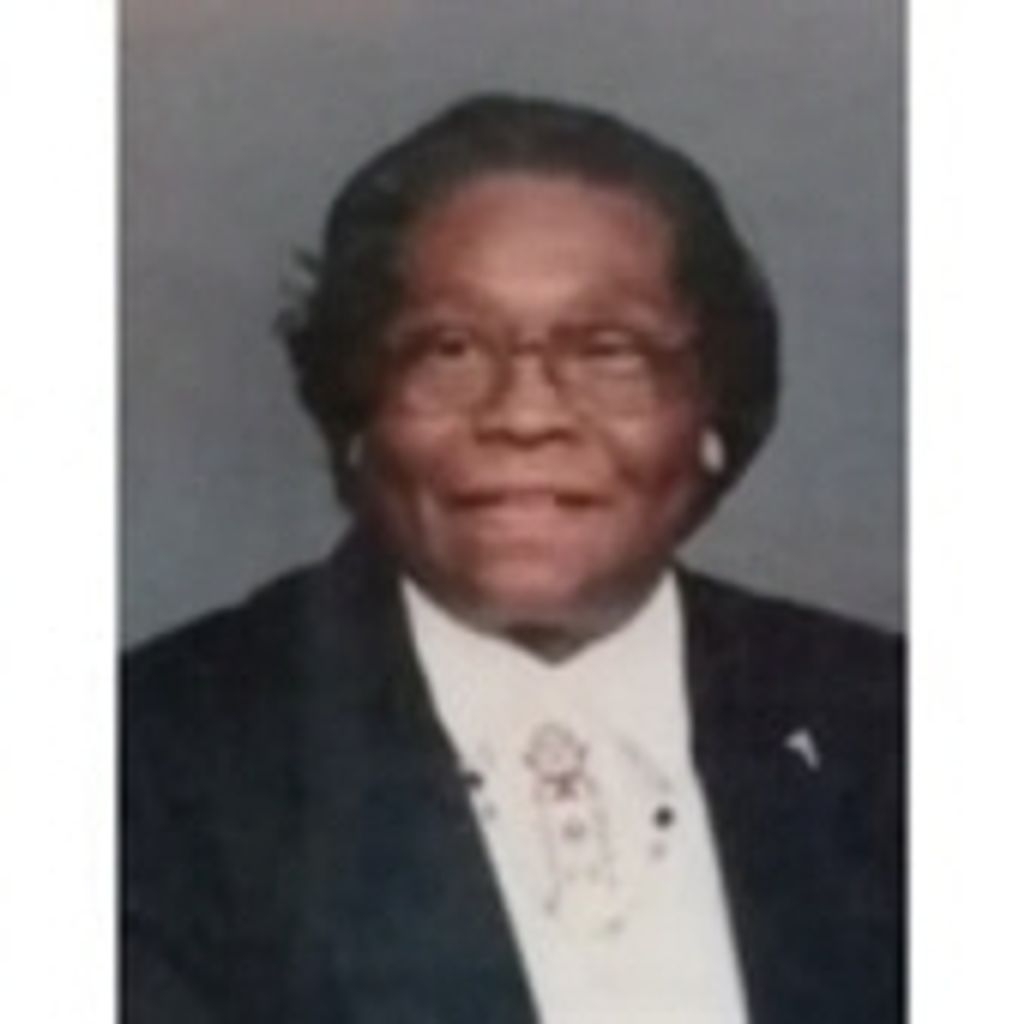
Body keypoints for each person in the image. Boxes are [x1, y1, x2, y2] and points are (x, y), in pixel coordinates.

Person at [122, 94, 904, 1024]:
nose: (525, 415)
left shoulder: (890, 721)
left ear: (710, 414)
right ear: (360, 414)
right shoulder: (152, 761)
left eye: (609, 353)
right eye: (449, 350)